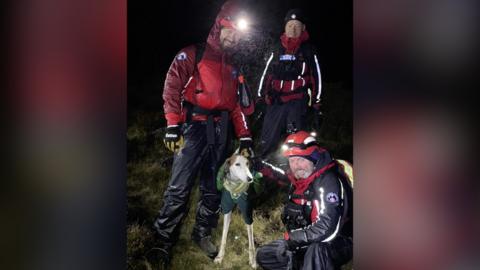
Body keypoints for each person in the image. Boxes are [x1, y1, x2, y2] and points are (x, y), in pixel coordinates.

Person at [152, 0, 255, 266]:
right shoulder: (193, 53)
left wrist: (244, 135)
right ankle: (163, 240)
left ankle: (202, 232)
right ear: (218, 27)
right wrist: (173, 125)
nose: (232, 36)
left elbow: (236, 107)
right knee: (179, 187)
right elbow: (171, 87)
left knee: (213, 187)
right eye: (229, 30)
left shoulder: (234, 67)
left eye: (237, 33)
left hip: (222, 132)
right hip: (193, 127)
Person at [255, 131, 353, 270]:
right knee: (265, 254)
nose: (296, 165)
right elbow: (281, 176)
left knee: (316, 250)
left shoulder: (328, 181)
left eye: (301, 160)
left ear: (313, 158)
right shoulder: (299, 179)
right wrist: (262, 167)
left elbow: (328, 229)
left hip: (338, 241)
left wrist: (292, 239)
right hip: (305, 239)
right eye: (292, 160)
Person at [256, 8, 323, 159]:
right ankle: (264, 174)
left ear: (303, 28)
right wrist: (260, 99)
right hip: (276, 102)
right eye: (290, 25)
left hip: (297, 103)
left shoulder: (308, 51)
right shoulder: (276, 49)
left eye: (297, 25)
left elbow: (316, 77)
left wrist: (317, 105)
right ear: (285, 27)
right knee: (267, 141)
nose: (293, 28)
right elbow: (265, 74)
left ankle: (293, 177)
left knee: (296, 143)